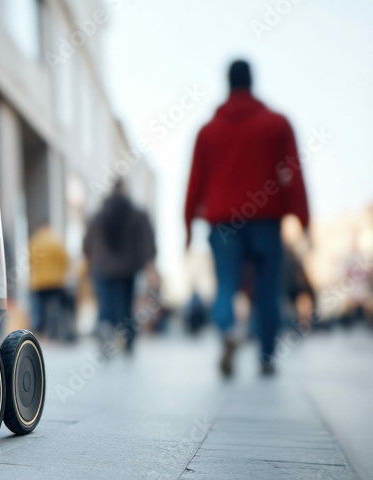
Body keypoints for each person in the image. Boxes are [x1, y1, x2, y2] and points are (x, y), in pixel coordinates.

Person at [185, 60, 310, 376]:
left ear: (227, 83)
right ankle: (267, 355)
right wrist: (304, 220)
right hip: (266, 220)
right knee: (267, 289)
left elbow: (195, 181)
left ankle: (228, 331)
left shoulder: (208, 131)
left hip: (222, 221)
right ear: (252, 82)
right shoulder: (277, 124)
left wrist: (187, 226)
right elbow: (292, 174)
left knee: (226, 283)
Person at [83, 180, 156, 354]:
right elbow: (146, 241)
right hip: (127, 269)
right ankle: (128, 341)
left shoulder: (98, 216)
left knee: (106, 305)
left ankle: (105, 328)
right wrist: (149, 264)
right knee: (126, 306)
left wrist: (90, 261)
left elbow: (86, 243)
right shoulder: (137, 214)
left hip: (102, 267)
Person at [28, 226, 72, 340]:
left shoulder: (35, 240)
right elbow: (65, 260)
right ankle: (55, 334)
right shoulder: (56, 241)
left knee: (40, 309)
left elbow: (30, 260)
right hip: (56, 282)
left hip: (39, 282)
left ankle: (41, 333)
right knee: (55, 307)